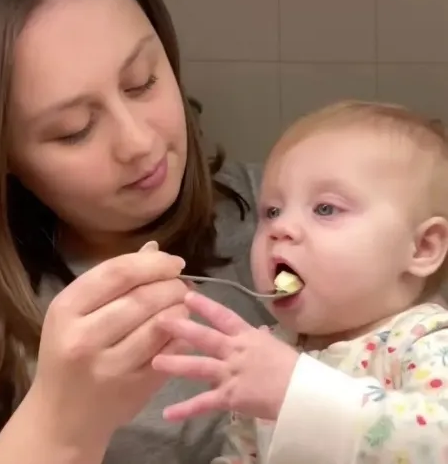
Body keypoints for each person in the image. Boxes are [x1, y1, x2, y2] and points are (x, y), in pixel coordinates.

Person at [0, 0, 272, 463]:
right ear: (3, 156)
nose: (138, 143)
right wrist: (59, 426)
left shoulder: (299, 211)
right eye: (74, 128)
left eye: (142, 82)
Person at [152, 101, 448, 463]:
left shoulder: (424, 340)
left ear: (422, 247)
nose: (280, 229)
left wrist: (298, 392)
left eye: (326, 208)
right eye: (272, 211)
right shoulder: (272, 351)